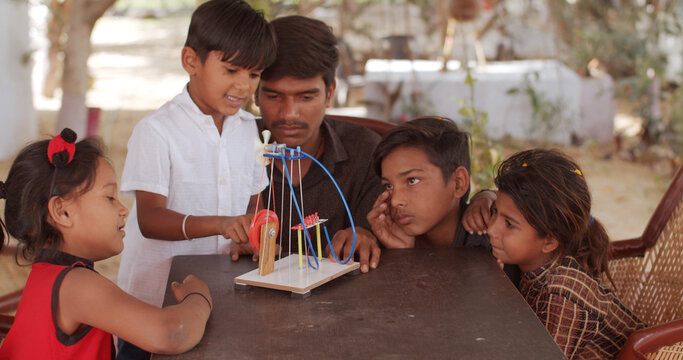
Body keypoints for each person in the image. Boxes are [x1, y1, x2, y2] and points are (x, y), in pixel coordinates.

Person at [115, 1, 276, 358]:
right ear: (191, 61)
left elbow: (254, 199)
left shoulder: (249, 130)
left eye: (254, 74)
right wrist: (221, 224)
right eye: (232, 69)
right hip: (152, 306)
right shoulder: (157, 131)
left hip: (219, 297)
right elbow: (151, 219)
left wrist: (251, 235)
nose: (243, 86)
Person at [0, 129, 212, 359]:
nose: (123, 209)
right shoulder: (77, 285)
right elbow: (172, 334)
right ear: (62, 211)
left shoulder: (49, 277)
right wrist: (199, 298)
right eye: (109, 197)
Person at [253, 15, 383, 273]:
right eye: (274, 95)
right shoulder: (227, 150)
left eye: (306, 96)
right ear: (255, 93)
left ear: (330, 93)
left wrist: (366, 235)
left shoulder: (367, 153)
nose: (289, 114)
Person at [487, 149, 644, 359]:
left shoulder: (560, 294)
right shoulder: (538, 269)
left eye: (508, 223)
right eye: (494, 211)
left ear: (549, 241)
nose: (491, 229)